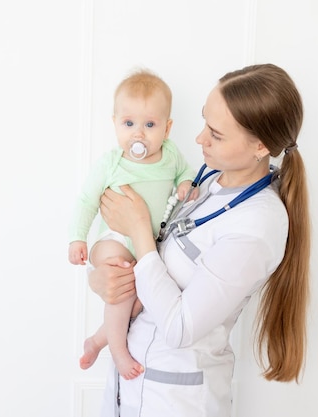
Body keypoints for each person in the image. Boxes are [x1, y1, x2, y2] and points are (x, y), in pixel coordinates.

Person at [88, 63, 311, 417]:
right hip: (130, 384)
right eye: (205, 121)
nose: (199, 139)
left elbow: (179, 328)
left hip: (175, 401)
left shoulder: (256, 226)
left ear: (260, 146)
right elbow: (154, 265)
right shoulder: (208, 184)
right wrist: (103, 277)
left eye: (216, 134)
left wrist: (140, 230)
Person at [68, 68, 196, 380]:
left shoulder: (171, 155)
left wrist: (185, 185)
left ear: (167, 128)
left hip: (146, 244)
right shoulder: (110, 163)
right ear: (115, 124)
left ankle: (98, 340)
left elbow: (185, 176)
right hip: (113, 239)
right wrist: (77, 238)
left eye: (149, 125)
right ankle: (118, 350)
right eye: (128, 124)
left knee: (138, 300)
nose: (138, 134)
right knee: (123, 281)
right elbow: (86, 200)